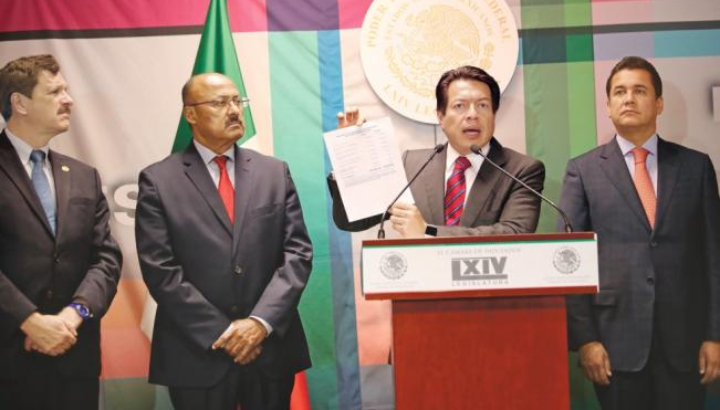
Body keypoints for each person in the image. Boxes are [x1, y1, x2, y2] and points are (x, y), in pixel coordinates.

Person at [135, 73, 313, 410]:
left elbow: (297, 254)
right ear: (190, 114)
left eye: (237, 101)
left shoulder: (274, 172)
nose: (233, 110)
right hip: (197, 353)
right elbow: (161, 269)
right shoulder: (159, 180)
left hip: (268, 349)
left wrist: (259, 323)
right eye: (219, 103)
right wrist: (224, 332)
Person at [559, 56, 720, 409]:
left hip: (686, 344)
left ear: (659, 103)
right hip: (614, 345)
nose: (629, 99)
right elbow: (570, 264)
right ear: (608, 105)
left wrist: (715, 335)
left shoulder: (696, 167)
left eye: (639, 91)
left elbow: (713, 258)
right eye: (619, 92)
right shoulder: (583, 171)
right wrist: (586, 340)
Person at [0, 54, 122, 409]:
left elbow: (106, 259)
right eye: (54, 92)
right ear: (20, 103)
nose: (68, 100)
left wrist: (74, 315)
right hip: (8, 360)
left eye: (66, 90)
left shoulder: (84, 175)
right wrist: (29, 320)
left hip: (75, 360)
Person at [329, 66, 545, 237]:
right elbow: (352, 222)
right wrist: (349, 161)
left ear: (494, 114)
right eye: (460, 106)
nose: (472, 115)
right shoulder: (413, 164)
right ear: (440, 116)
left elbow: (515, 232)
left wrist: (427, 231)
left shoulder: (521, 170)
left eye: (482, 106)